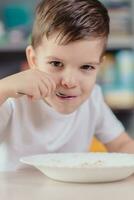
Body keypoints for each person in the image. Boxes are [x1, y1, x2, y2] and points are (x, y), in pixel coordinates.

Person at [0, 0, 134, 171]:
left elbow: (121, 144)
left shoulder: (93, 99)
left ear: (99, 66)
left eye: (86, 67)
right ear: (33, 60)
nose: (69, 82)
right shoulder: (12, 100)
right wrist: (2, 88)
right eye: (56, 64)